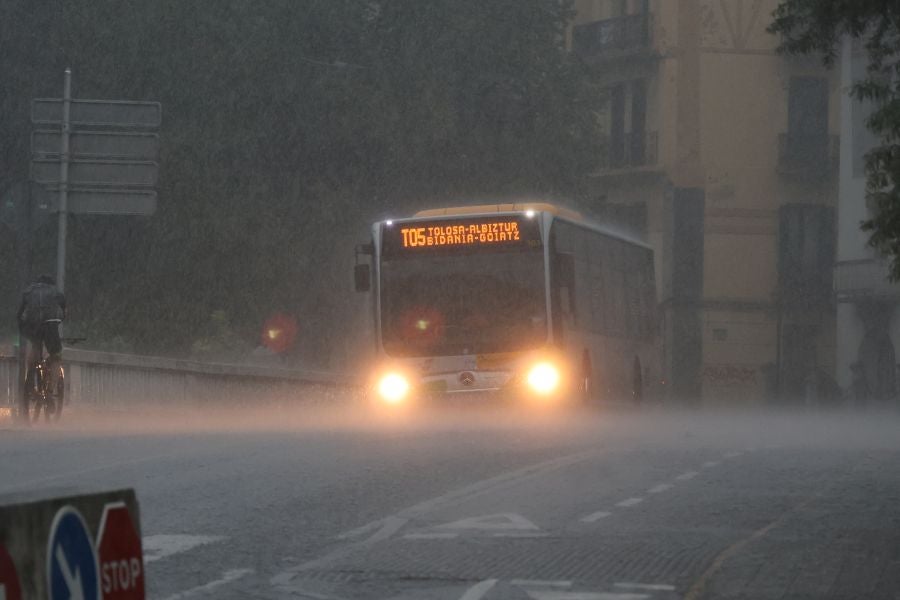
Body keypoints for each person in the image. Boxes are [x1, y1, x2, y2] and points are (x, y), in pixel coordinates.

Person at [16, 274, 67, 402]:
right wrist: (59, 321)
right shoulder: (56, 292)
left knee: (35, 347)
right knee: (56, 356)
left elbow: (20, 314)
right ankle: (50, 392)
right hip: (50, 326)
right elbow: (64, 312)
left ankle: (30, 382)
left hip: (33, 326)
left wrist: (23, 328)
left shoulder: (28, 292)